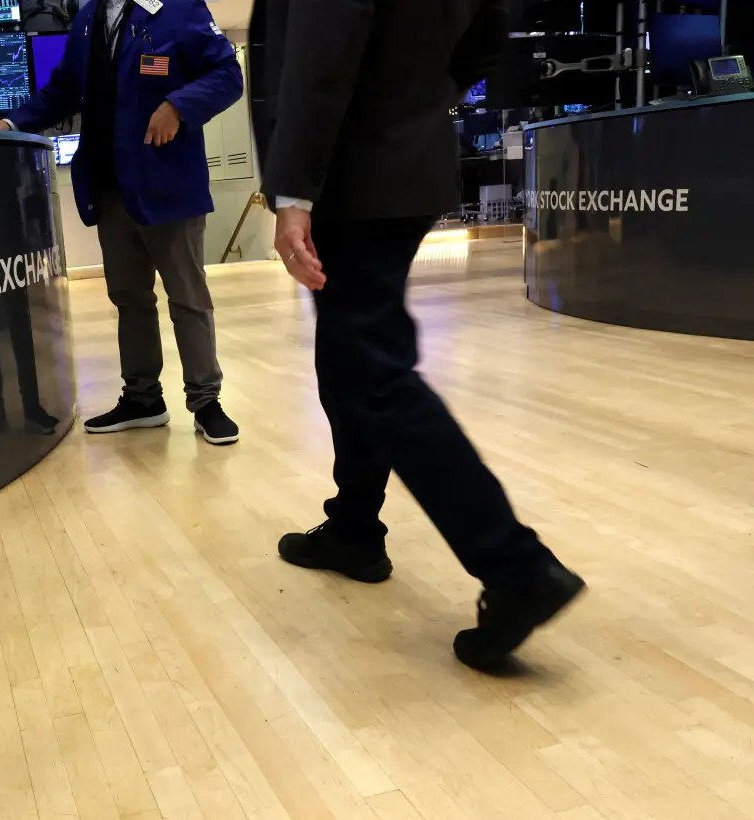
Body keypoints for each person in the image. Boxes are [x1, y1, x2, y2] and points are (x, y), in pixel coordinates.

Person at [249, 0, 585, 671]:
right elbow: (486, 40)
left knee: (373, 372)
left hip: (353, 174)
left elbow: (320, 61)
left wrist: (293, 194)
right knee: (350, 359)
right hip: (406, 161)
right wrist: (415, 103)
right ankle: (353, 528)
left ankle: (517, 567)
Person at [0, 0, 244, 445]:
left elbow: (227, 76)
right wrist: (12, 121)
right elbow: (61, 90)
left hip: (167, 187)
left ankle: (206, 402)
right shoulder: (86, 21)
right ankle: (143, 399)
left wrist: (179, 106)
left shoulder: (181, 10)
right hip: (110, 187)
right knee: (129, 296)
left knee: (187, 296)